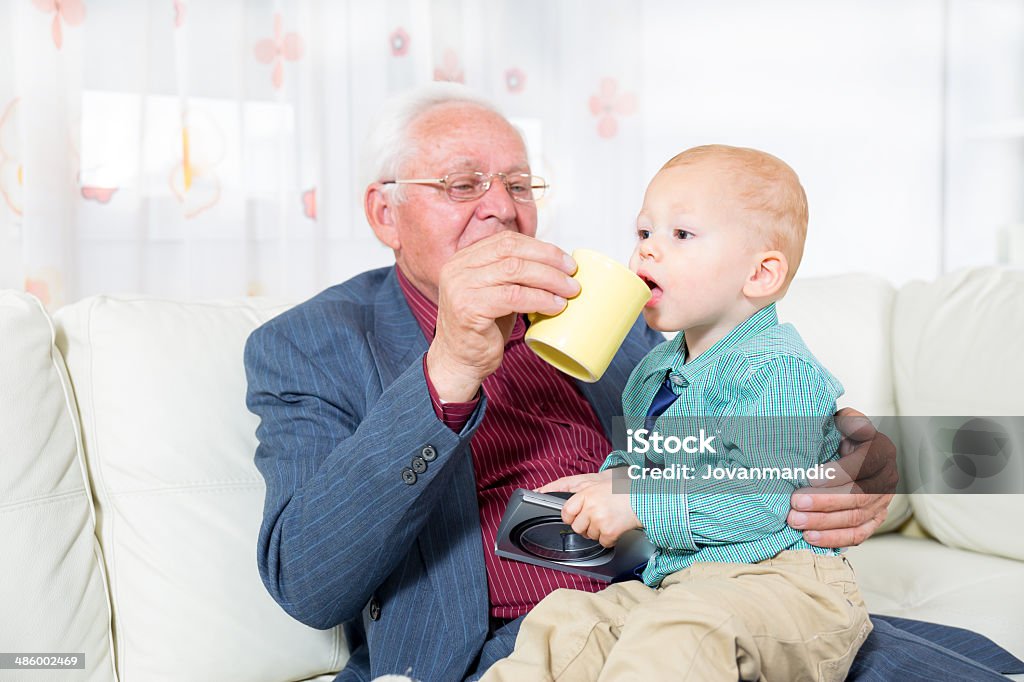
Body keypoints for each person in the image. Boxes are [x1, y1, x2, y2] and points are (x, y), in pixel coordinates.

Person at [243, 83, 897, 682]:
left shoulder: (597, 305)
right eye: (464, 184)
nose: (501, 207)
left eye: (521, 185)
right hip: (517, 643)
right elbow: (309, 583)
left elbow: (737, 414)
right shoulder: (309, 344)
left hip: (706, 595)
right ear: (386, 214)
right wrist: (448, 369)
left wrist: (861, 455)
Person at [482, 145, 871, 681]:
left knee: (679, 632)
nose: (647, 253)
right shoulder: (652, 371)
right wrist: (609, 482)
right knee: (566, 623)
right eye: (644, 233)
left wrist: (639, 502)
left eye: (680, 235)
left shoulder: (782, 370)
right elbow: (640, 457)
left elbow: (762, 496)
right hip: (680, 583)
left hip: (786, 585)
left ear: (760, 274)